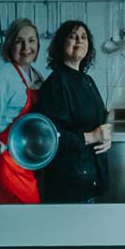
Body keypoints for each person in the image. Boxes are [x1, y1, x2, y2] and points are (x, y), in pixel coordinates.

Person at [35, 21, 113, 204]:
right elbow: (49, 138)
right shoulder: (55, 84)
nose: (79, 41)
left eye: (83, 37)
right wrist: (91, 137)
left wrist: (106, 138)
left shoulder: (88, 80)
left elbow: (99, 120)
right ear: (61, 44)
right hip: (69, 183)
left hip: (90, 177)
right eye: (72, 36)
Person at [0, 18, 45, 205]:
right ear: (9, 45)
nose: (26, 47)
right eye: (19, 41)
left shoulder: (37, 77)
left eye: (31, 40)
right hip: (8, 164)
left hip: (32, 160)